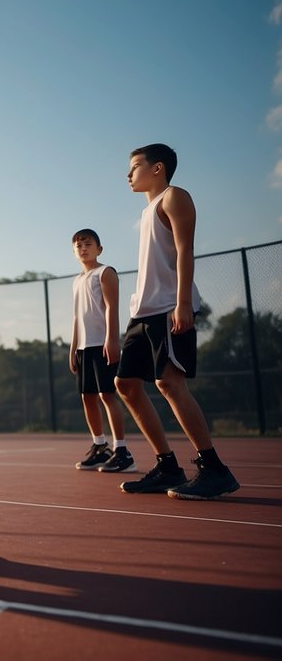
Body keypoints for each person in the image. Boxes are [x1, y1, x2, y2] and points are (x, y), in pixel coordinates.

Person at [113, 144, 239, 499]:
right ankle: (167, 466)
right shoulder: (148, 209)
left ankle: (214, 469)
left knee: (169, 383)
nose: (129, 174)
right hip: (143, 310)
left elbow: (185, 250)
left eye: (135, 166)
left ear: (158, 169)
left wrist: (182, 303)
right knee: (125, 384)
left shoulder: (174, 197)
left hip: (169, 307)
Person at [68, 228, 136, 473]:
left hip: (102, 344)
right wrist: (73, 348)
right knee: (87, 397)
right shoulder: (77, 281)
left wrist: (112, 339)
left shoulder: (105, 272)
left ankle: (122, 451)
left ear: (99, 248)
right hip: (84, 348)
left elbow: (111, 307)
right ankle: (100, 447)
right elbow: (77, 317)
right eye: (78, 245)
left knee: (107, 395)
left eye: (87, 243)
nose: (83, 247)